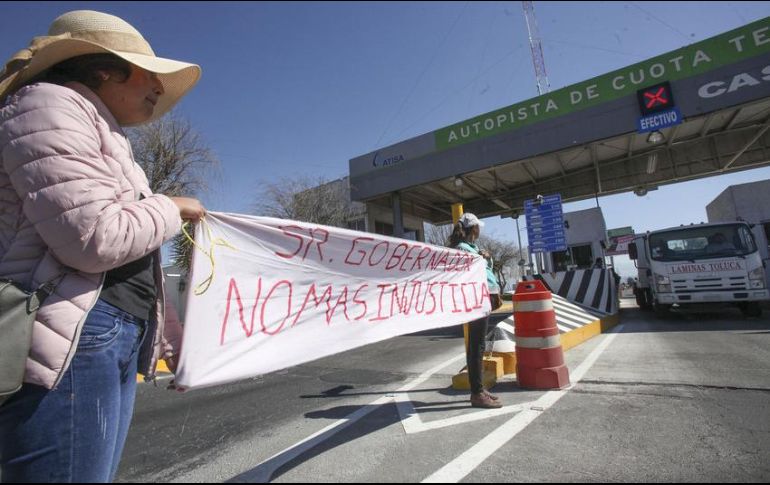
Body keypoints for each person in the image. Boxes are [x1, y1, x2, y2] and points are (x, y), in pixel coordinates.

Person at [0, 10, 205, 483]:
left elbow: (135, 258)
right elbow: (92, 238)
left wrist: (168, 340)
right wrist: (172, 207)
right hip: (72, 334)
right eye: (148, 73)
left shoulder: (103, 131)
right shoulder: (48, 105)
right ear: (105, 68)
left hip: (103, 331)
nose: (158, 87)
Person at [448, 213, 503, 409]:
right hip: (476, 298)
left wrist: (483, 257)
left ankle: (478, 389)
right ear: (474, 229)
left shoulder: (472, 248)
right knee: (476, 345)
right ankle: (477, 392)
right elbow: (469, 271)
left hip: (482, 297)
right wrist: (481, 258)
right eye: (478, 226)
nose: (480, 229)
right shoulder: (463, 249)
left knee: (477, 345)